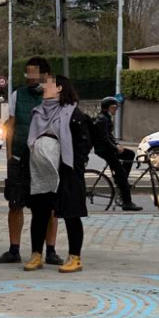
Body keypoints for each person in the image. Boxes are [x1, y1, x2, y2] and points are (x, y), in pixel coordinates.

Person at [0, 57, 62, 266]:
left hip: (45, 159)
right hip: (20, 158)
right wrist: (9, 156)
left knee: (49, 207)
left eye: (33, 73)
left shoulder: (54, 94)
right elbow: (11, 126)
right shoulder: (18, 95)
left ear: (45, 73)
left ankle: (50, 250)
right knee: (15, 204)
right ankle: (14, 249)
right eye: (27, 73)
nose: (30, 77)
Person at [23, 75, 91, 274]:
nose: (44, 87)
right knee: (39, 213)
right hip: (40, 171)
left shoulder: (73, 114)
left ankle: (75, 257)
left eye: (49, 84)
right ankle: (36, 255)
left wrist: (74, 167)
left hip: (66, 171)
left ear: (60, 88)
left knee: (71, 214)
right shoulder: (38, 112)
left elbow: (83, 144)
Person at [94, 97, 142, 211]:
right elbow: (104, 139)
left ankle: (120, 179)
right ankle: (127, 203)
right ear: (109, 107)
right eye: (114, 107)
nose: (116, 110)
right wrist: (116, 148)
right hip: (105, 151)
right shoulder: (102, 119)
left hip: (109, 149)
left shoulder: (106, 117)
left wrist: (117, 145)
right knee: (122, 177)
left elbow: (109, 137)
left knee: (129, 154)